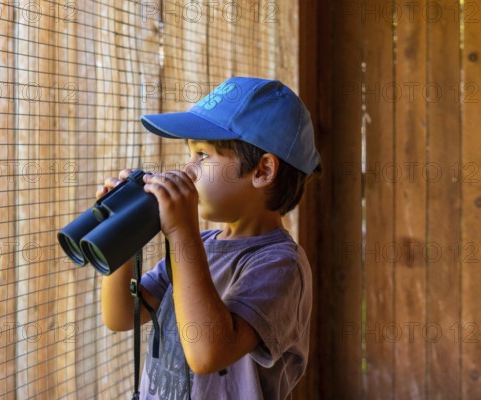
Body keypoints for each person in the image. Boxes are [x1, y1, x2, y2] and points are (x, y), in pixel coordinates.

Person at [98, 77, 321, 400]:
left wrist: (181, 232)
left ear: (263, 171)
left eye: (202, 155)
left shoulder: (281, 264)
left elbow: (207, 354)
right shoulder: (199, 243)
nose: (188, 170)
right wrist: (121, 232)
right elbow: (120, 315)